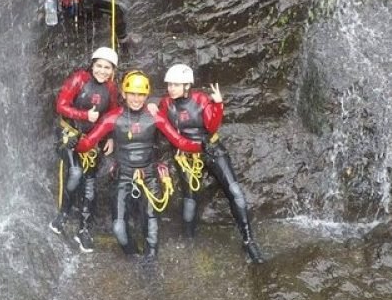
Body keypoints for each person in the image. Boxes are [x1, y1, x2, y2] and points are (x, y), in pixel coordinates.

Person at [74, 70, 202, 261]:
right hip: (123, 175)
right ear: (124, 94)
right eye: (132, 94)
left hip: (148, 173)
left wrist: (203, 146)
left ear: (146, 95)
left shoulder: (155, 117)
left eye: (141, 94)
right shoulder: (112, 117)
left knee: (151, 220)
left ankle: (150, 258)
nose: (136, 99)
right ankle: (132, 255)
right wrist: (75, 144)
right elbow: (89, 141)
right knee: (118, 227)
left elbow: (179, 141)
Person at [157, 64, 265, 264]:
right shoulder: (166, 104)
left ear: (187, 86)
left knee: (234, 191)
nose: (171, 88)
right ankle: (189, 240)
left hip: (212, 149)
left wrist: (218, 105)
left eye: (175, 85)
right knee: (190, 198)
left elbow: (212, 126)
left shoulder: (200, 99)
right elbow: (172, 136)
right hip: (187, 153)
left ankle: (249, 240)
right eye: (170, 84)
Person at [49, 47, 120, 252]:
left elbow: (112, 114)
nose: (102, 71)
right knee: (75, 173)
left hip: (92, 140)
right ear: (92, 65)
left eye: (107, 67)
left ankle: (84, 229)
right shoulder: (79, 79)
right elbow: (61, 106)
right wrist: (83, 115)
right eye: (99, 65)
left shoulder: (111, 89)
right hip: (69, 135)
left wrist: (110, 137)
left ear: (112, 70)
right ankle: (62, 215)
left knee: (90, 183)